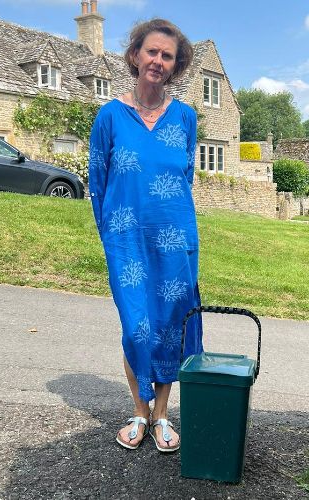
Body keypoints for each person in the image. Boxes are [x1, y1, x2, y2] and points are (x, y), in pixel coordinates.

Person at [87, 18, 203, 453]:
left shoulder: (186, 117)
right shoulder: (110, 116)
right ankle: (139, 409)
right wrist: (112, 237)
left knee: (171, 324)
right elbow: (97, 181)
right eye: (151, 52)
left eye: (167, 56)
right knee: (137, 326)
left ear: (176, 66)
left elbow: (185, 176)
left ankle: (161, 415)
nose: (157, 61)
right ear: (135, 55)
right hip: (126, 240)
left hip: (176, 240)